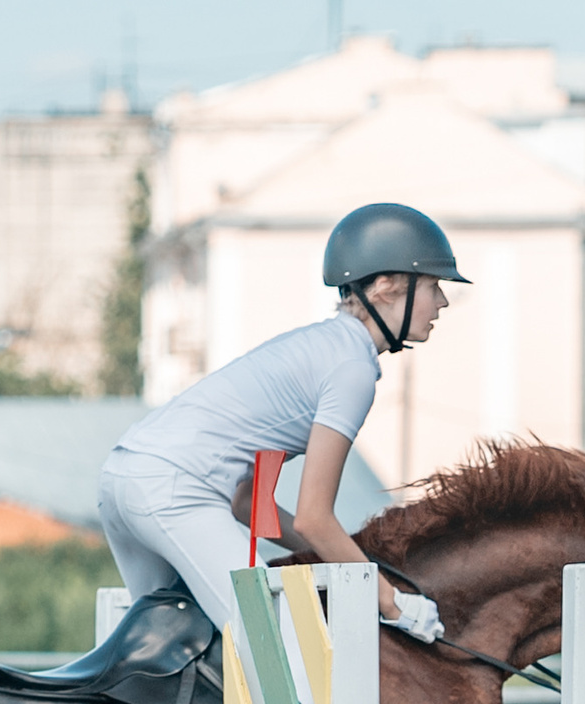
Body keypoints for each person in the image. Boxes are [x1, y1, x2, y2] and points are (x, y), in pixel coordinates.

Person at [95, 202, 464, 647]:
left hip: (124, 477)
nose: (442, 301)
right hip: (175, 493)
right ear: (386, 286)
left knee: (173, 655)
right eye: (432, 285)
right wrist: (393, 602)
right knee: (286, 656)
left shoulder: (318, 346)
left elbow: (249, 503)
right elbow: (313, 517)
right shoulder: (353, 368)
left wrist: (343, 556)